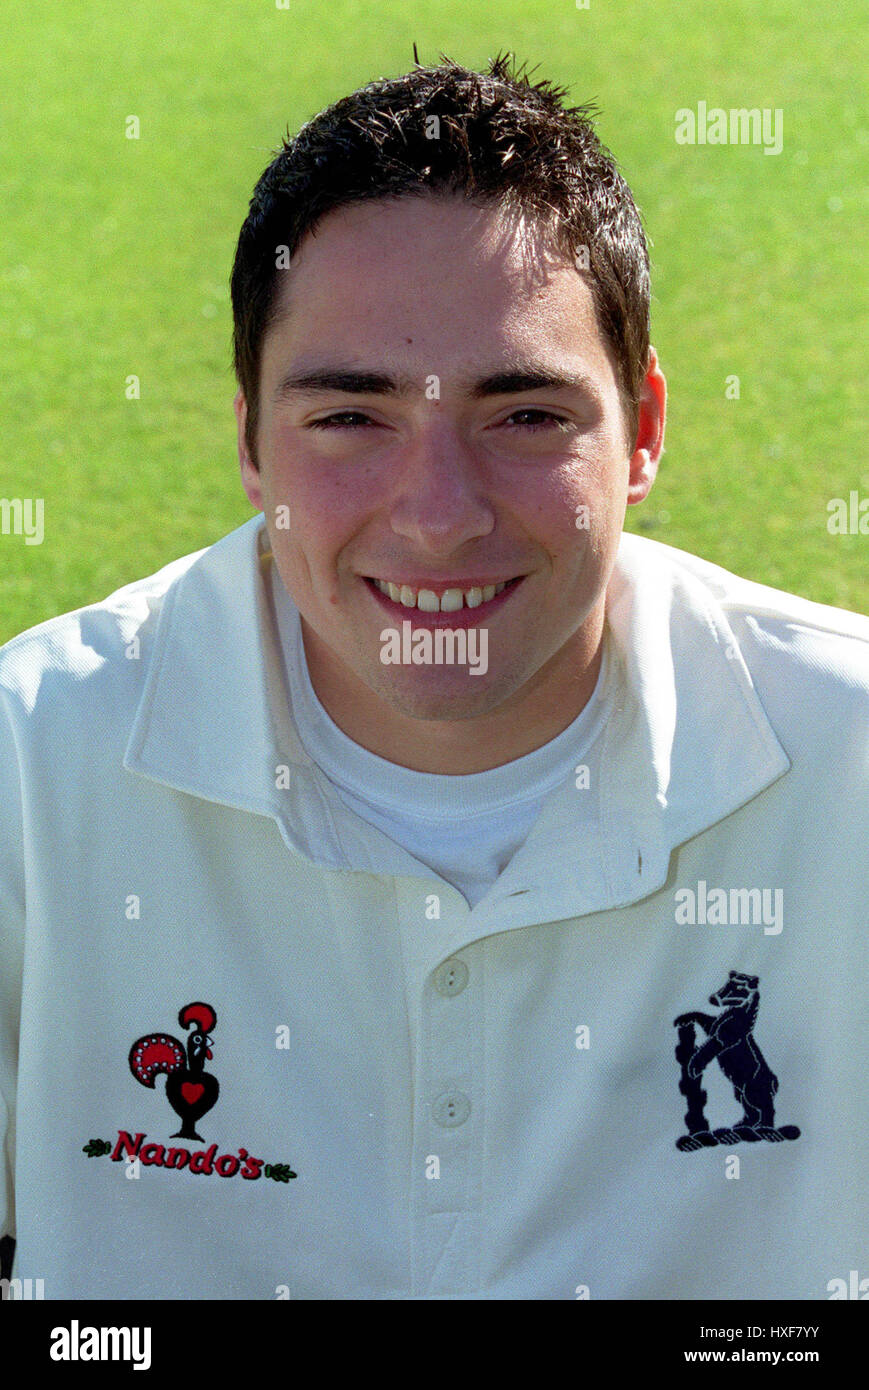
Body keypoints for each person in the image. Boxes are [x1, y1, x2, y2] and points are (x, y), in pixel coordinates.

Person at [0, 55, 866, 1302]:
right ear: (248, 438)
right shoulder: (32, 764)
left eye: (522, 416)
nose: (441, 516)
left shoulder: (848, 767)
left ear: (645, 431)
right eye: (351, 419)